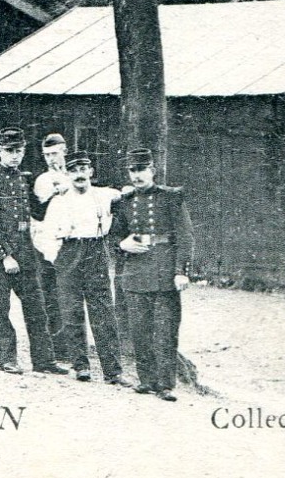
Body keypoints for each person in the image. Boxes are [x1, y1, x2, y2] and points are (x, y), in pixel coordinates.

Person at [0, 127, 62, 376]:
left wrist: (57, 195)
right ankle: (7, 359)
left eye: (19, 151)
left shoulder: (23, 178)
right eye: (10, 151)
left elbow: (37, 212)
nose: (15, 156)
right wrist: (6, 255)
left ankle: (44, 360)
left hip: (25, 252)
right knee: (0, 309)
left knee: (37, 306)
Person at [111, 147, 195, 401]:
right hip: (135, 272)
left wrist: (181, 271)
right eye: (132, 170)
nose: (137, 175)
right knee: (140, 331)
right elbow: (114, 235)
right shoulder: (123, 203)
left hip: (164, 270)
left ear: (152, 171)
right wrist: (121, 244)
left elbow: (185, 236)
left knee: (166, 330)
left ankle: (166, 384)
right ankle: (146, 381)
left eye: (141, 170)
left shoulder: (171, 198)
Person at [44, 151, 133, 386]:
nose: (79, 175)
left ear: (91, 172)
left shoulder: (104, 195)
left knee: (103, 311)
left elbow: (126, 193)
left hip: (96, 252)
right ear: (67, 174)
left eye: (83, 169)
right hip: (69, 251)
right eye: (73, 170)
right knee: (71, 311)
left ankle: (113, 372)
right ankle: (80, 365)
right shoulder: (59, 201)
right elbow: (45, 234)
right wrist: (55, 258)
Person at [29, 131, 75, 362]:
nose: (51, 158)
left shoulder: (75, 174)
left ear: (65, 151)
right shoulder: (43, 180)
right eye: (47, 154)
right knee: (52, 294)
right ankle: (58, 348)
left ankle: (74, 344)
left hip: (73, 242)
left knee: (72, 293)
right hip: (48, 244)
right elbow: (40, 215)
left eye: (55, 153)